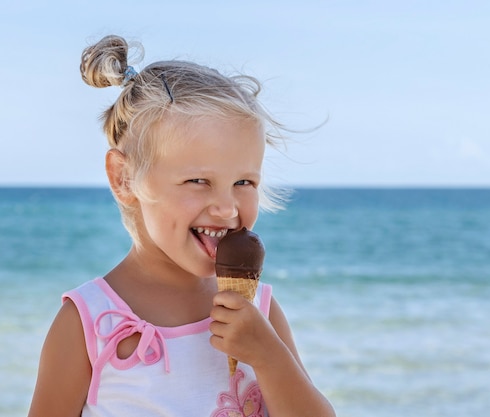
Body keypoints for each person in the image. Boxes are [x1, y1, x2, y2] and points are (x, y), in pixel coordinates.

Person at [28, 35, 335, 417]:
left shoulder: (260, 313)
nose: (226, 208)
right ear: (124, 179)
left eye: (244, 182)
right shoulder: (87, 323)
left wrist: (270, 356)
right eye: (197, 181)